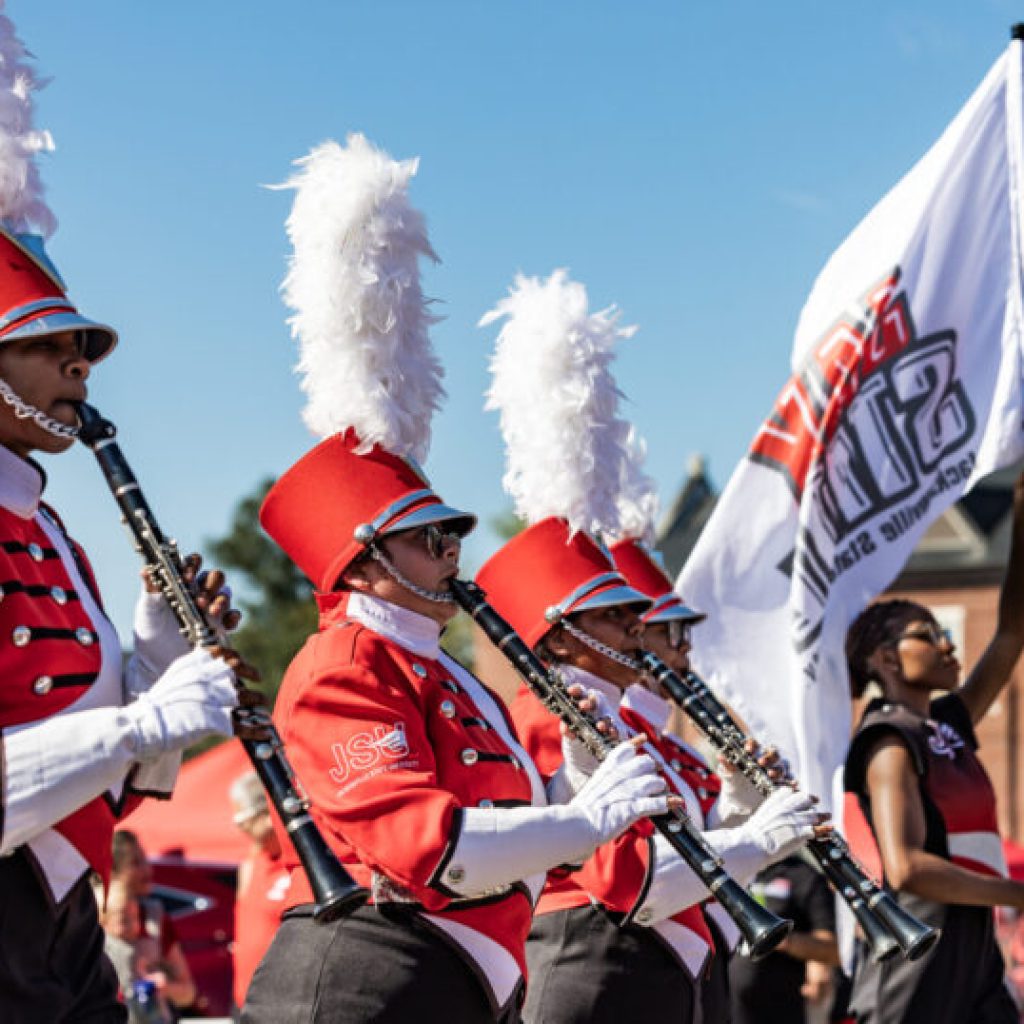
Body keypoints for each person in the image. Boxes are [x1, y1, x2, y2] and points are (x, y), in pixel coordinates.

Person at [238, 437, 671, 1024]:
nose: (450, 551)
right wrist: (585, 821)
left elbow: (517, 828)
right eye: (427, 537)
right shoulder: (344, 662)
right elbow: (425, 846)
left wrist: (577, 780)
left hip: (452, 980)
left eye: (451, 536)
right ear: (362, 564)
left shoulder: (453, 675)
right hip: (367, 973)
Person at [0, 15, 248, 1022]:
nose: (78, 364)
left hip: (64, 926)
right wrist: (143, 717)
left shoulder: (56, 537)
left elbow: (122, 787)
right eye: (44, 344)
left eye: (82, 347)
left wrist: (155, 661)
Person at [475, 517, 823, 1024]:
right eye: (613, 614)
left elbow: (681, 845)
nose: (637, 627)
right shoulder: (549, 717)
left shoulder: (619, 721)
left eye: (637, 614)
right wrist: (760, 840)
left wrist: (740, 804)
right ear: (561, 638)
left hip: (652, 964)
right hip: (597, 963)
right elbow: (626, 877)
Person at [842, 472, 1024, 1023]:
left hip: (973, 939)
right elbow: (907, 869)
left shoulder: (947, 724)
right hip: (919, 946)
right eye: (927, 634)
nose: (947, 645)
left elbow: (1010, 635)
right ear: (885, 660)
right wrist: (1015, 893)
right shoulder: (888, 739)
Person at [728, 854, 838, 1024]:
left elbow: (833, 949)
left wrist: (782, 939)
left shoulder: (803, 875)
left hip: (780, 1009)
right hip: (728, 1006)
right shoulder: (732, 867)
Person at [111, 830, 197, 1013]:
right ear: (113, 872)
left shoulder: (154, 918)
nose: (147, 869)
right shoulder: (88, 922)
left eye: (145, 859)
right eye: (135, 862)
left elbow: (188, 992)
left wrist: (164, 987)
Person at [229, 771, 289, 1013]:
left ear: (266, 813)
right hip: (245, 1004)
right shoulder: (250, 865)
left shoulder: (302, 865)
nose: (240, 826)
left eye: (242, 818)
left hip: (284, 1003)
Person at [95, 878, 174, 1024]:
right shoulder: (103, 952)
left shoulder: (143, 946)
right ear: (103, 922)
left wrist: (158, 981)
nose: (133, 926)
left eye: (136, 918)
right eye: (124, 920)